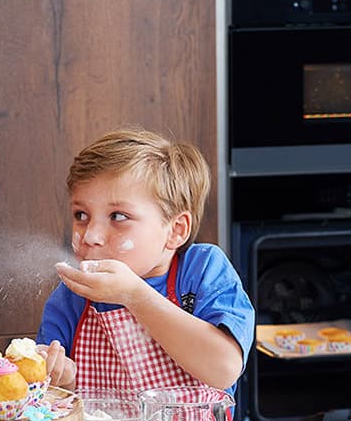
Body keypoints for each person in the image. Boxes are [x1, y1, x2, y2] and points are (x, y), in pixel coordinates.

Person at [36, 126, 254, 399]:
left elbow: (224, 369)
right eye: (81, 215)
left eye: (117, 216)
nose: (90, 235)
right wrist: (62, 379)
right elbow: (47, 402)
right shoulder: (71, 296)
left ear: (175, 230)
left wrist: (133, 295)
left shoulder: (201, 270)